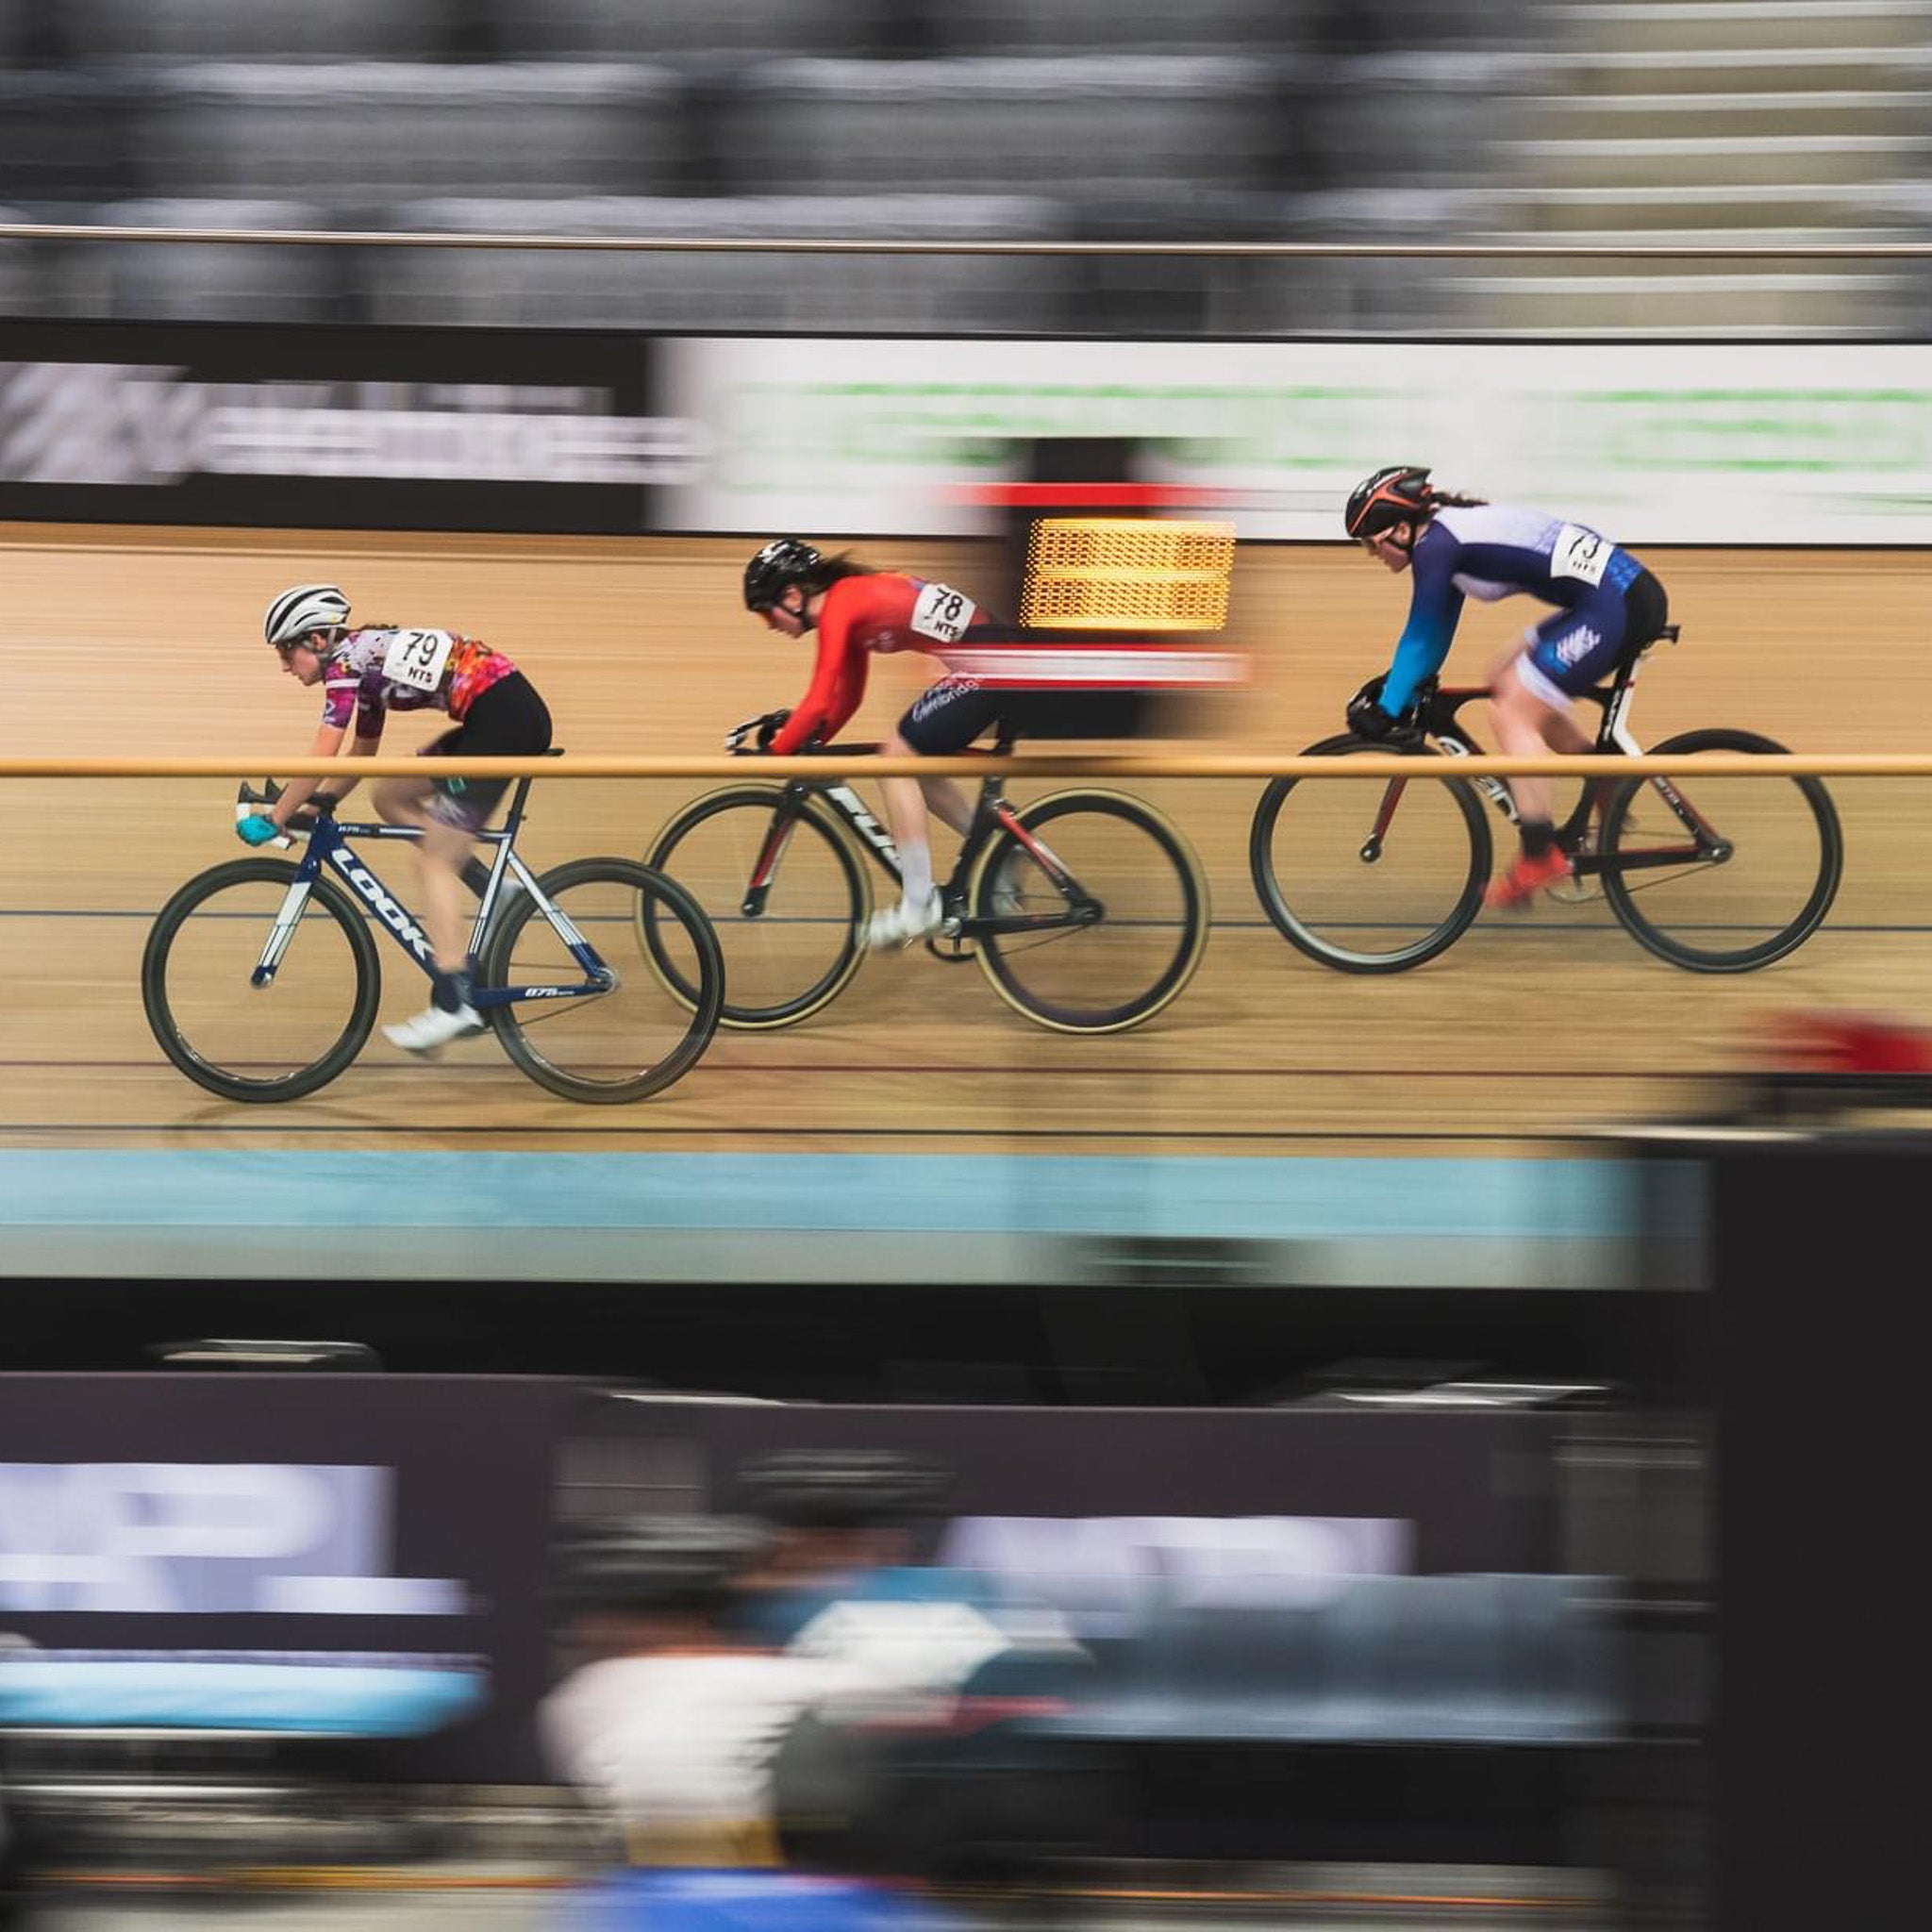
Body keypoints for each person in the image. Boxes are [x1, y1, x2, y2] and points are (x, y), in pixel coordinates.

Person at [1341, 465, 1671, 908]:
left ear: (1401, 528)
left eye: (1371, 543)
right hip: (1609, 597)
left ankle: (1539, 853)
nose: (1371, 554)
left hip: (1614, 605)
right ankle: (1600, 776)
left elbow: (1421, 635)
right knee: (1502, 676)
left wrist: (1387, 706)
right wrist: (1399, 688)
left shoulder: (1436, 547)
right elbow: (1436, 629)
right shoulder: (1443, 536)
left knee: (1512, 711)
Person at [243, 584, 553, 1052]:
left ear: (319, 641)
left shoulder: (346, 664)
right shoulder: (362, 665)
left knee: (432, 862)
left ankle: (455, 1004)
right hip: (497, 716)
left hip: (503, 721)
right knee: (390, 794)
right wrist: (320, 803)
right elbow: (362, 752)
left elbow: (326, 748)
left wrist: (278, 814)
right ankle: (494, 890)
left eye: (287, 652)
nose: (284, 666)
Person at [741, 540, 1007, 951]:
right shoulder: (848, 603)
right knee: (915, 766)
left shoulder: (840, 605)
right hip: (993, 664)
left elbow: (816, 701)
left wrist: (775, 754)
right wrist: (807, 743)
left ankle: (918, 904)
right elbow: (846, 699)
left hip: (991, 667)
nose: (770, 625)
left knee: (894, 758)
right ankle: (1000, 852)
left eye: (764, 613)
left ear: (792, 596)